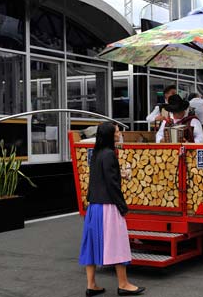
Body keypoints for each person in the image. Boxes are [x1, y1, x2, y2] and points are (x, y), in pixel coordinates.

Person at [79, 122, 145, 297]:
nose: (119, 133)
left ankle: (91, 284)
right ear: (110, 135)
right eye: (117, 131)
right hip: (108, 206)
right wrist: (122, 207)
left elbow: (98, 178)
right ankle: (123, 284)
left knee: (91, 245)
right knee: (118, 243)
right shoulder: (110, 154)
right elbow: (112, 184)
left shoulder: (97, 153)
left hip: (94, 206)